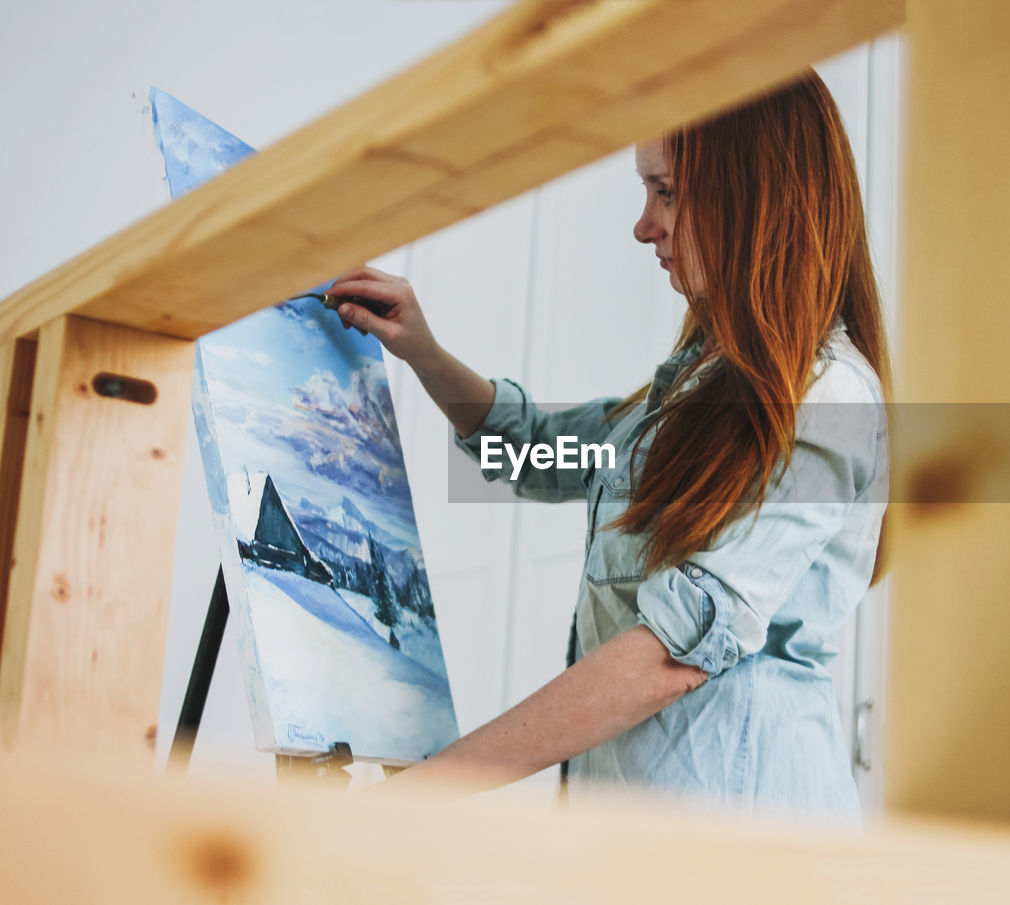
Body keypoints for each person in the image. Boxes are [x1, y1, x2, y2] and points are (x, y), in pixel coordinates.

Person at [327, 67, 891, 826]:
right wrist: (422, 349)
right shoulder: (687, 395)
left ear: (752, 192)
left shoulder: (831, 399)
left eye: (665, 190)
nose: (643, 224)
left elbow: (671, 650)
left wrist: (426, 788)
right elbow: (535, 451)